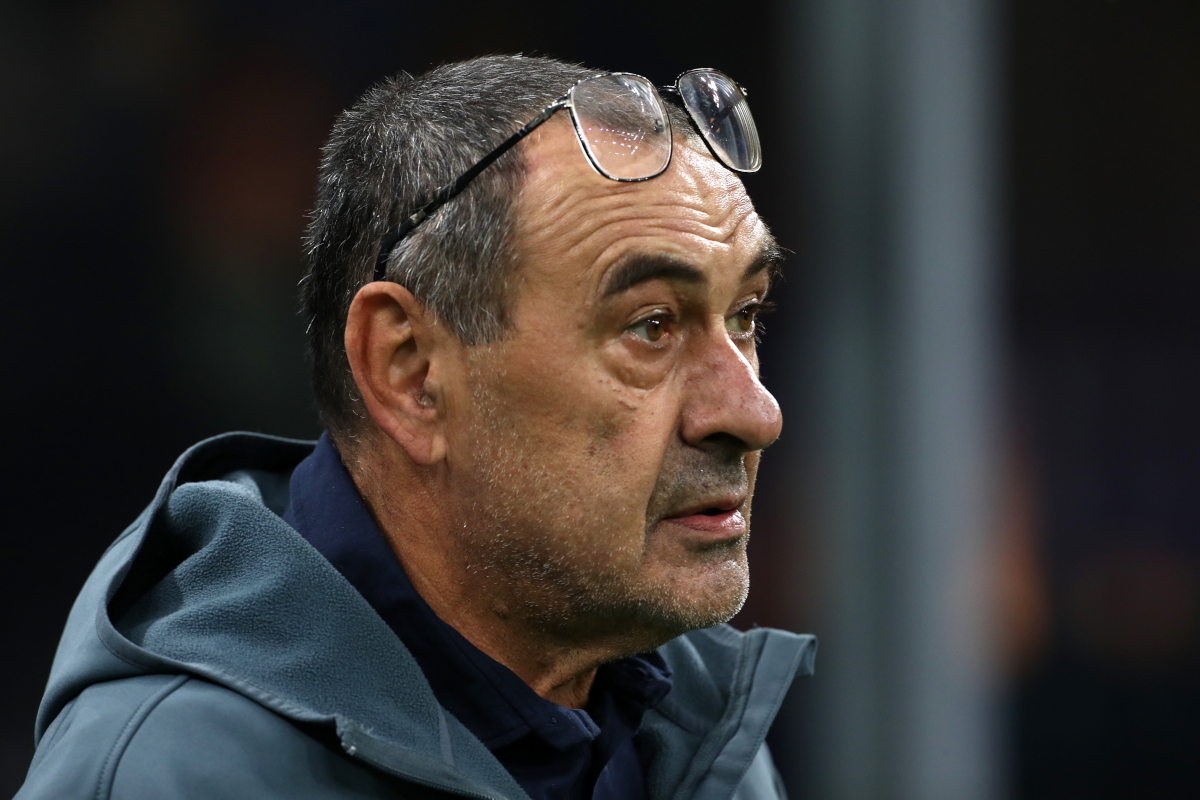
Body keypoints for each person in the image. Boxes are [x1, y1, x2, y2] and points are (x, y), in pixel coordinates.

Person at [17, 55, 815, 800]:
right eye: (650, 325)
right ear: (411, 374)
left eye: (745, 316)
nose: (753, 411)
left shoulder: (696, 735)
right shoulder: (175, 771)